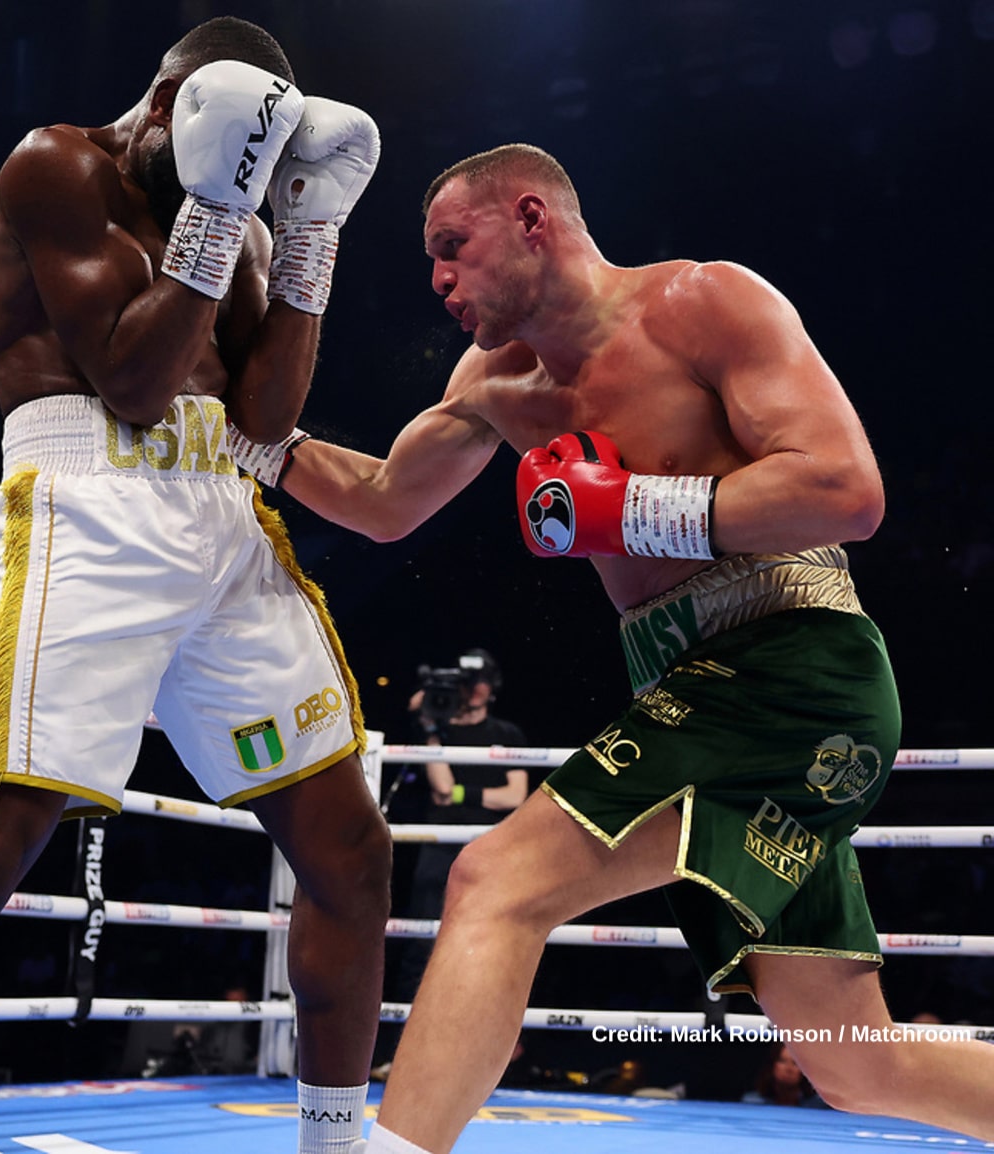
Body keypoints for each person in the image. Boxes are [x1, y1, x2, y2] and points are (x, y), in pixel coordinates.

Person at [228, 143, 994, 1151]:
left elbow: (845, 490)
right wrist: (236, 436)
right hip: (700, 691)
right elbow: (381, 502)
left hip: (793, 663)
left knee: (496, 882)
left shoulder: (704, 303)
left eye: (453, 245)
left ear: (532, 217)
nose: (439, 279)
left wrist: (631, 508)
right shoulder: (493, 381)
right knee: (858, 1063)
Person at [0, 17, 390, 1154]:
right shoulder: (58, 164)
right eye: (237, 150)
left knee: (351, 853)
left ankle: (334, 1145)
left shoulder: (247, 227)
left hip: (219, 514)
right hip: (89, 509)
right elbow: (130, 380)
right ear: (167, 104)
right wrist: (217, 206)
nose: (245, 179)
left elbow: (264, 421)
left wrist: (310, 236)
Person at [373, 649, 527, 1077]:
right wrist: (428, 726)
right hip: (439, 848)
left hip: (491, 848)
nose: (471, 688)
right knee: (421, 947)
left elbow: (514, 796)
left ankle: (478, 1058)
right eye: (465, 680)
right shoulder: (437, 732)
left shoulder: (507, 733)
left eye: (479, 680)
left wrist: (461, 794)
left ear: (492, 687)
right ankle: (404, 1058)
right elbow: (439, 787)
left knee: (491, 948)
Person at [741, 1043, 829, 1109]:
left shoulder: (817, 1106)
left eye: (795, 1063)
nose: (788, 1069)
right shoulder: (753, 1103)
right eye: (782, 1061)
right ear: (772, 1065)